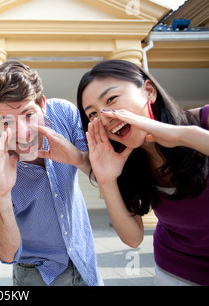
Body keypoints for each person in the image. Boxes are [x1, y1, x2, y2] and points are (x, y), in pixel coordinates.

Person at [76, 59, 209, 286]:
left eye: (111, 99)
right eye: (93, 114)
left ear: (149, 91)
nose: (105, 117)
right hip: (178, 272)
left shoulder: (203, 120)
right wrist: (107, 181)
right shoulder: (127, 162)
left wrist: (178, 135)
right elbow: (133, 238)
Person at [0, 60, 101, 286]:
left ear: (42, 105)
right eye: (7, 122)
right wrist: (2, 195)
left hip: (86, 261)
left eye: (28, 115)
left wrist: (78, 158)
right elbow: (6, 254)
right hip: (36, 274)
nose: (24, 134)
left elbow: (105, 178)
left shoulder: (63, 114)